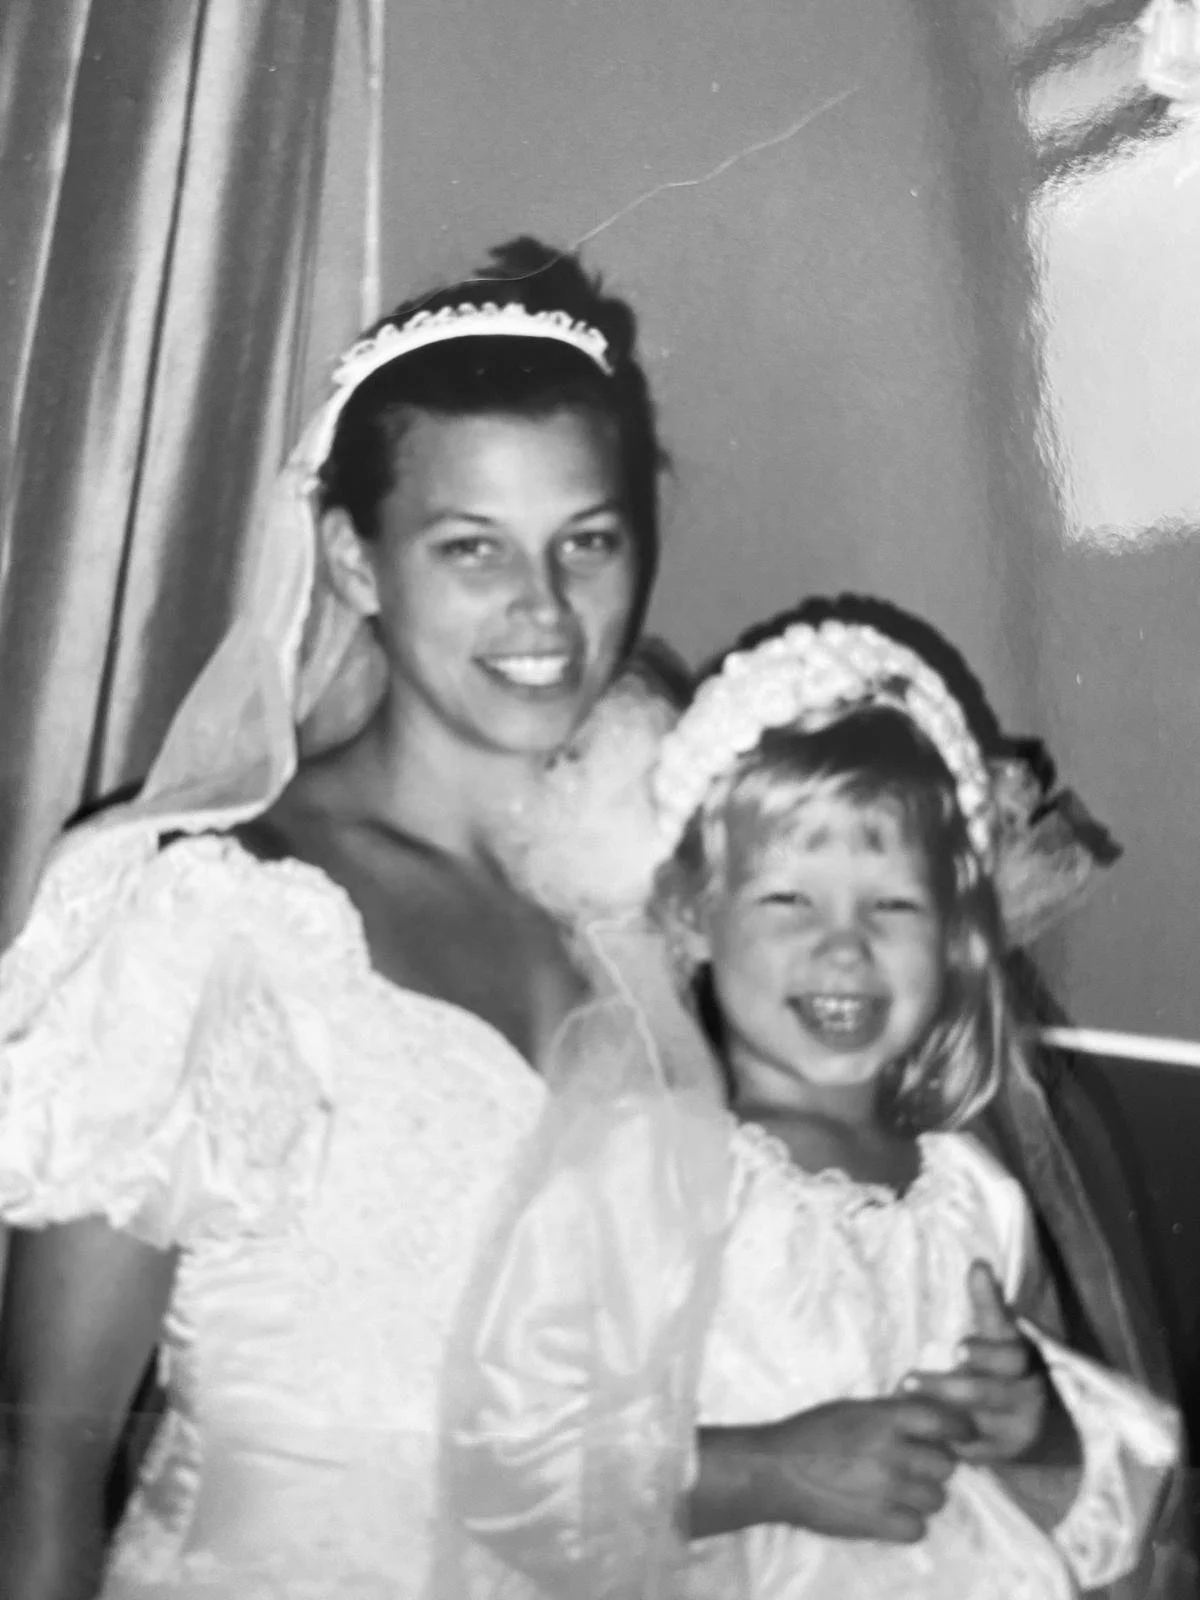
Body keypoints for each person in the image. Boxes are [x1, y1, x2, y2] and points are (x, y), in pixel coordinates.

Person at [0, 238, 738, 1600]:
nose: (544, 609)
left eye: (588, 540)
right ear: (353, 560)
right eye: (472, 548)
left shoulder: (659, 902)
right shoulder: (207, 911)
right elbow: (43, 1455)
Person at [638, 601, 1180, 1598]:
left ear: (955, 934)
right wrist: (765, 1470)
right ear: (693, 918)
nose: (843, 945)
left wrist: (1029, 1423)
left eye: (891, 904)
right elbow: (527, 1471)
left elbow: (1086, 1491)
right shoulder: (660, 1176)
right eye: (789, 899)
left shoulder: (975, 1195)